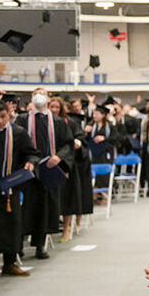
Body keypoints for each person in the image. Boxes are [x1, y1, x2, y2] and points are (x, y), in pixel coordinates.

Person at [0, 101, 38, 276]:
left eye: (2, 117)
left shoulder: (18, 133)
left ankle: (10, 263)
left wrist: (30, 162)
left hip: (8, 186)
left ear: (8, 114)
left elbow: (32, 153)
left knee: (11, 224)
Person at [17, 88, 74, 259]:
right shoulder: (23, 119)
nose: (38, 96)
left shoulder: (56, 121)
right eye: (35, 94)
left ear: (48, 98)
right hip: (28, 169)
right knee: (25, 208)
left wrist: (58, 157)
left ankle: (39, 245)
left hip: (48, 169)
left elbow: (67, 144)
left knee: (44, 208)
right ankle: (18, 244)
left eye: (42, 93)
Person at [51, 96, 91, 241]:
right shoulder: (46, 123)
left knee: (67, 197)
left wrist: (78, 143)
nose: (54, 110)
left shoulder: (70, 123)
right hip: (50, 164)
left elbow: (80, 139)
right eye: (52, 107)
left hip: (67, 164)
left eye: (57, 107)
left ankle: (66, 227)